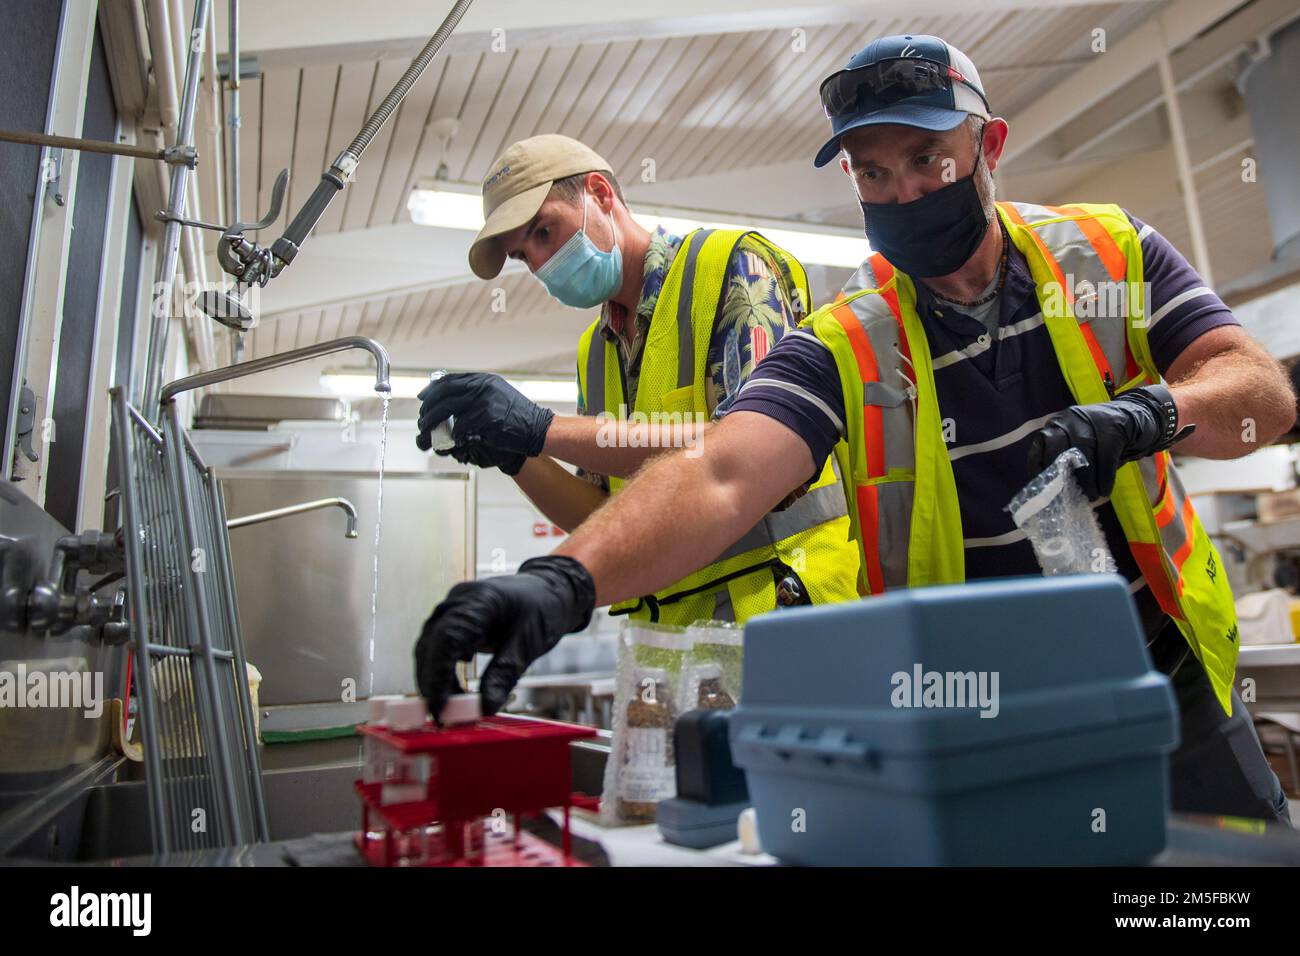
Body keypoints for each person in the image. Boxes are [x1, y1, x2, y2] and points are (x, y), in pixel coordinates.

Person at [414, 37, 1296, 824]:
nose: (905, 191)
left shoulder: (1105, 254)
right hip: (970, 708)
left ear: (987, 145)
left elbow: (1260, 392)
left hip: (1165, 680)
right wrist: (564, 583)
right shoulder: (844, 340)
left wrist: (1155, 413)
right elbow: (722, 471)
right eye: (874, 174)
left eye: (927, 159)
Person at [416, 134, 859, 632]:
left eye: (544, 232)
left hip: (784, 619)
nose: (541, 264)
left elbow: (748, 455)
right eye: (524, 256)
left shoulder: (732, 268)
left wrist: (541, 427)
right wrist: (517, 455)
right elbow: (603, 511)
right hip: (670, 656)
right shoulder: (596, 352)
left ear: (601, 194)